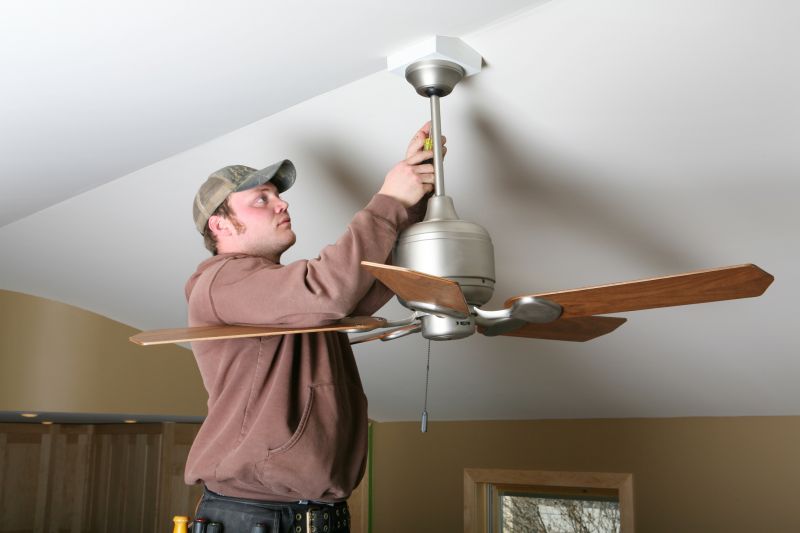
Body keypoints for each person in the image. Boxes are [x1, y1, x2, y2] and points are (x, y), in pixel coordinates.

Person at [184, 123, 443, 532]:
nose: (281, 205)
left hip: (315, 514)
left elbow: (371, 283)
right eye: (261, 199)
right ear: (220, 225)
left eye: (279, 196)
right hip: (254, 515)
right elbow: (330, 291)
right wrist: (388, 199)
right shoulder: (220, 282)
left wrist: (412, 198)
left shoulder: (282, 296)